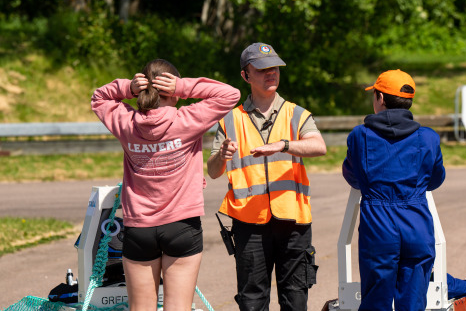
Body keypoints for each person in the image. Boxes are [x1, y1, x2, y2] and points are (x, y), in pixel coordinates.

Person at [91, 59, 240, 311]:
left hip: (139, 228)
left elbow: (99, 99)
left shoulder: (127, 123)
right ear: (173, 93)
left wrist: (127, 88)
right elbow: (230, 94)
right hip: (182, 225)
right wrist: (184, 86)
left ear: (143, 90)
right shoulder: (188, 119)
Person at [207, 42, 327, 311]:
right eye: (261, 69)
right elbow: (213, 172)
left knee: (295, 299)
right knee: (252, 301)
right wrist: (222, 155)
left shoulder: (297, 114)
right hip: (249, 222)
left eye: (274, 68)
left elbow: (319, 147)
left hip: (293, 220)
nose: (270, 73)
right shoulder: (229, 120)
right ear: (245, 75)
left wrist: (284, 144)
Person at [342, 69, 446, 311]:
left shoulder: (360, 136)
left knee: (375, 300)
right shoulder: (428, 137)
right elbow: (436, 179)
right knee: (413, 301)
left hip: (378, 224)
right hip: (416, 221)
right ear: (408, 101)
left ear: (380, 98)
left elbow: (351, 175)